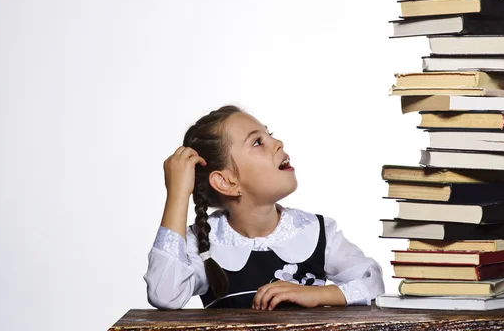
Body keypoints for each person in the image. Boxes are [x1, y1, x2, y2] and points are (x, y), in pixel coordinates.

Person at [144, 105, 384, 310]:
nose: (278, 143)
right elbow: (164, 294)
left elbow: (373, 283)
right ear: (226, 181)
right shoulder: (205, 244)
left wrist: (318, 295)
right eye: (257, 142)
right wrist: (177, 195)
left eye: (270, 135)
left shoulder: (317, 232)